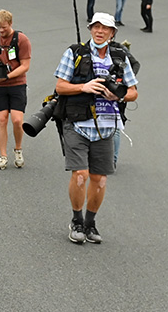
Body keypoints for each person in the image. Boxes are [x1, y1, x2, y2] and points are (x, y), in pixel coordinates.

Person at [53, 12, 138, 244]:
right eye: (96, 27)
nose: (99, 31)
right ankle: (77, 221)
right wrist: (84, 87)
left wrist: (117, 96)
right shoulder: (75, 52)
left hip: (107, 127)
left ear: (112, 33)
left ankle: (90, 223)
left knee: (99, 180)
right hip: (77, 124)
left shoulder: (120, 57)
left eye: (105, 28)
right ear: (91, 29)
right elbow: (60, 86)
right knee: (80, 175)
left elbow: (133, 92)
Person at [0, 10, 31, 169]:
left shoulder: (21, 40)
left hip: (17, 84)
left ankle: (18, 149)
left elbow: (25, 66)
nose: (1, 31)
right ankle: (3, 156)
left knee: (17, 120)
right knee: (2, 119)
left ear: (10, 24)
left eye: (3, 27)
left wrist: (7, 77)